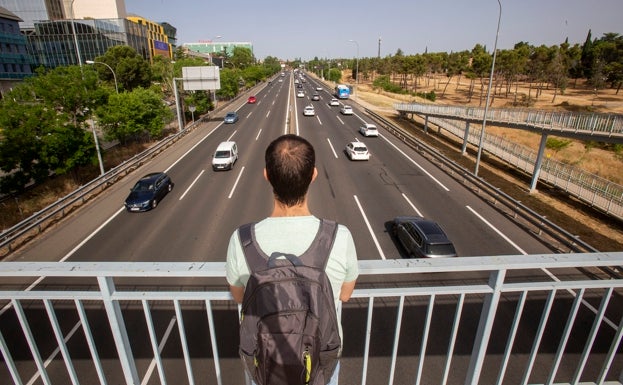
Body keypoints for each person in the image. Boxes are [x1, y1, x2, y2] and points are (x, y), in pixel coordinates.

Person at [225, 134, 359, 385]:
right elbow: (345, 295)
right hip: (319, 359)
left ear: (267, 175)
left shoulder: (241, 240)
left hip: (265, 362)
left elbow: (240, 296)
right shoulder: (338, 237)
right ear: (313, 175)